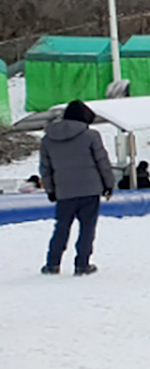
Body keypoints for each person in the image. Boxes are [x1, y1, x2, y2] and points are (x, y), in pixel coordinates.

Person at [38, 99, 115, 276]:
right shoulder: (91, 136)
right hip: (90, 189)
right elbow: (102, 162)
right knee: (87, 228)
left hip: (64, 191)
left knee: (62, 227)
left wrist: (50, 190)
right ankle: (82, 265)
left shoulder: (48, 140)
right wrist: (108, 184)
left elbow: (45, 168)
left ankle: (52, 264)